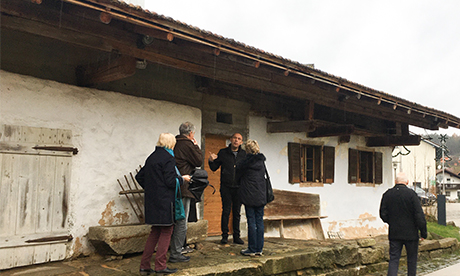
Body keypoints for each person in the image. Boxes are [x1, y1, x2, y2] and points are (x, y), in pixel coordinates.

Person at [136, 133, 190, 275]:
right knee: (166, 232)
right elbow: (171, 182)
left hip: (152, 201)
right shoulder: (168, 158)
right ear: (171, 144)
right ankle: (160, 266)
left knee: (154, 232)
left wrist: (152, 188)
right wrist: (183, 179)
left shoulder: (151, 157)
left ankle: (144, 266)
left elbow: (139, 176)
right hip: (166, 202)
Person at [379, 172, 427, 276]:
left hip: (395, 232)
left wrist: (391, 221)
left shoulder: (388, 194)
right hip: (411, 233)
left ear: (395, 181)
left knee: (394, 259)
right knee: (412, 260)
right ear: (407, 182)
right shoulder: (412, 195)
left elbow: (383, 214)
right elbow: (419, 215)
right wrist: (423, 232)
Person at [170, 122, 203, 261]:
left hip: (172, 185)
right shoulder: (187, 144)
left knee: (174, 220)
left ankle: (175, 248)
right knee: (182, 220)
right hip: (183, 186)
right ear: (190, 133)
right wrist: (195, 145)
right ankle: (177, 251)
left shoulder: (174, 143)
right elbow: (199, 161)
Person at [208, 133, 246, 245]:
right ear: (230, 139)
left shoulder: (244, 154)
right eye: (235, 138)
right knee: (226, 211)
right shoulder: (223, 152)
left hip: (239, 187)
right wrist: (211, 160)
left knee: (237, 213)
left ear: (241, 142)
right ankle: (224, 236)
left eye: (239, 139)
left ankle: (236, 236)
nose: (236, 140)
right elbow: (214, 168)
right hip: (226, 187)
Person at [236, 139, 267, 256]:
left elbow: (237, 174)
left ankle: (252, 248)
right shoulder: (261, 162)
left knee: (251, 221)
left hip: (249, 195)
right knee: (260, 222)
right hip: (260, 195)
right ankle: (259, 248)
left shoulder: (245, 163)